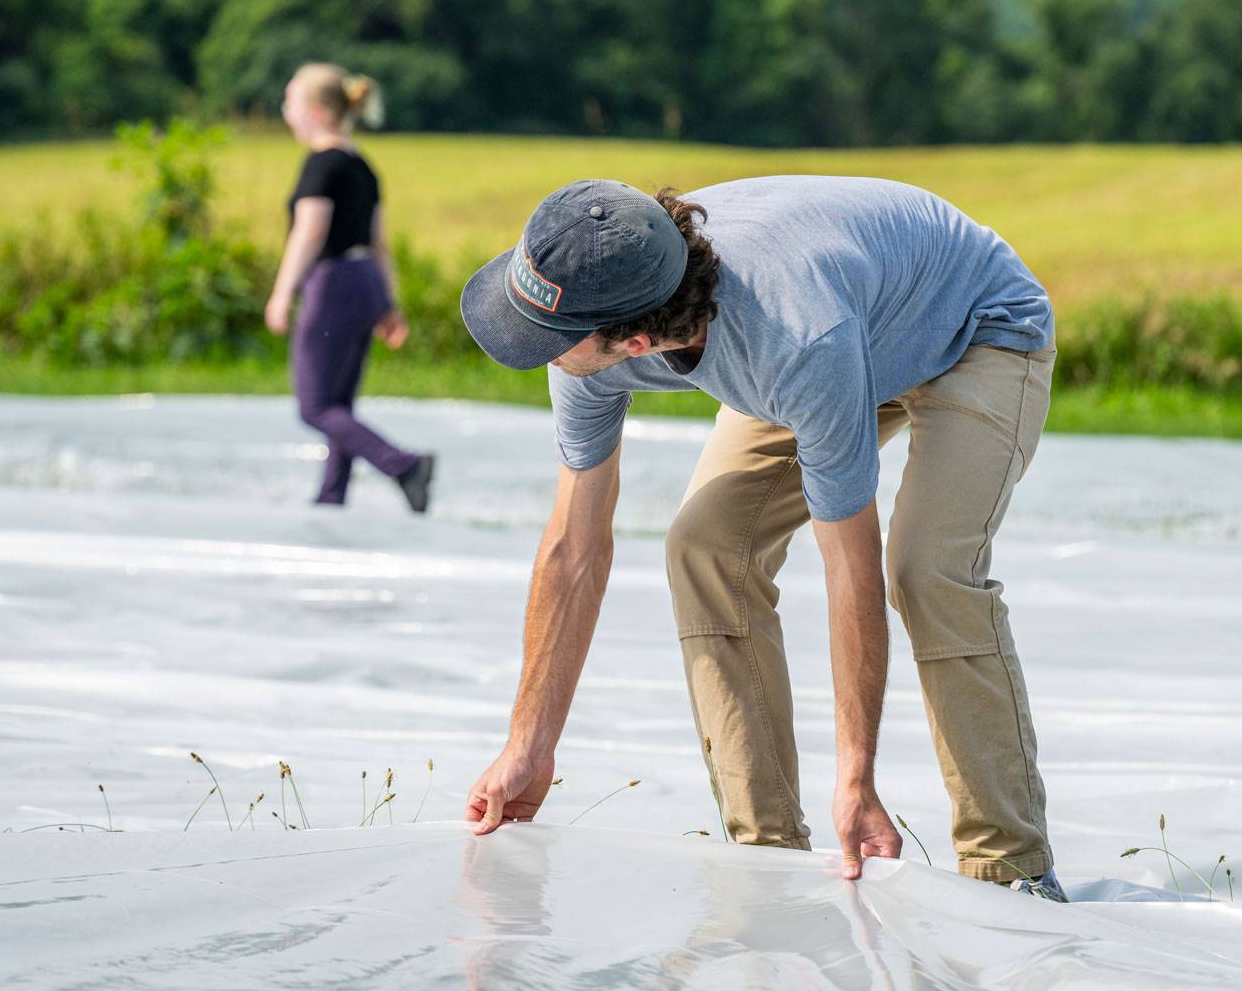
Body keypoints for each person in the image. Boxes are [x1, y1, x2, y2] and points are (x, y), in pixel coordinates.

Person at [457, 176, 1066, 901]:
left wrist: (856, 777)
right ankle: (768, 858)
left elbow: (852, 568)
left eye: (549, 341)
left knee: (925, 568)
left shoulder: (794, 335)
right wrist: (529, 745)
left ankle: (1012, 869)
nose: (539, 353)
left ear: (638, 342)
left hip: (975, 329)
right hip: (842, 325)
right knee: (704, 548)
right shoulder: (588, 320)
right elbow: (573, 545)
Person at [265, 62, 434, 512]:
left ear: (318, 112)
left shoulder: (322, 163)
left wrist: (283, 292)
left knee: (315, 406)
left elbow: (310, 232)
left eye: (291, 104)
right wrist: (389, 303)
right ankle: (331, 495)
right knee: (340, 402)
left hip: (333, 283)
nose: (286, 114)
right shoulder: (362, 165)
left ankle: (403, 466)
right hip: (366, 283)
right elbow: (379, 243)